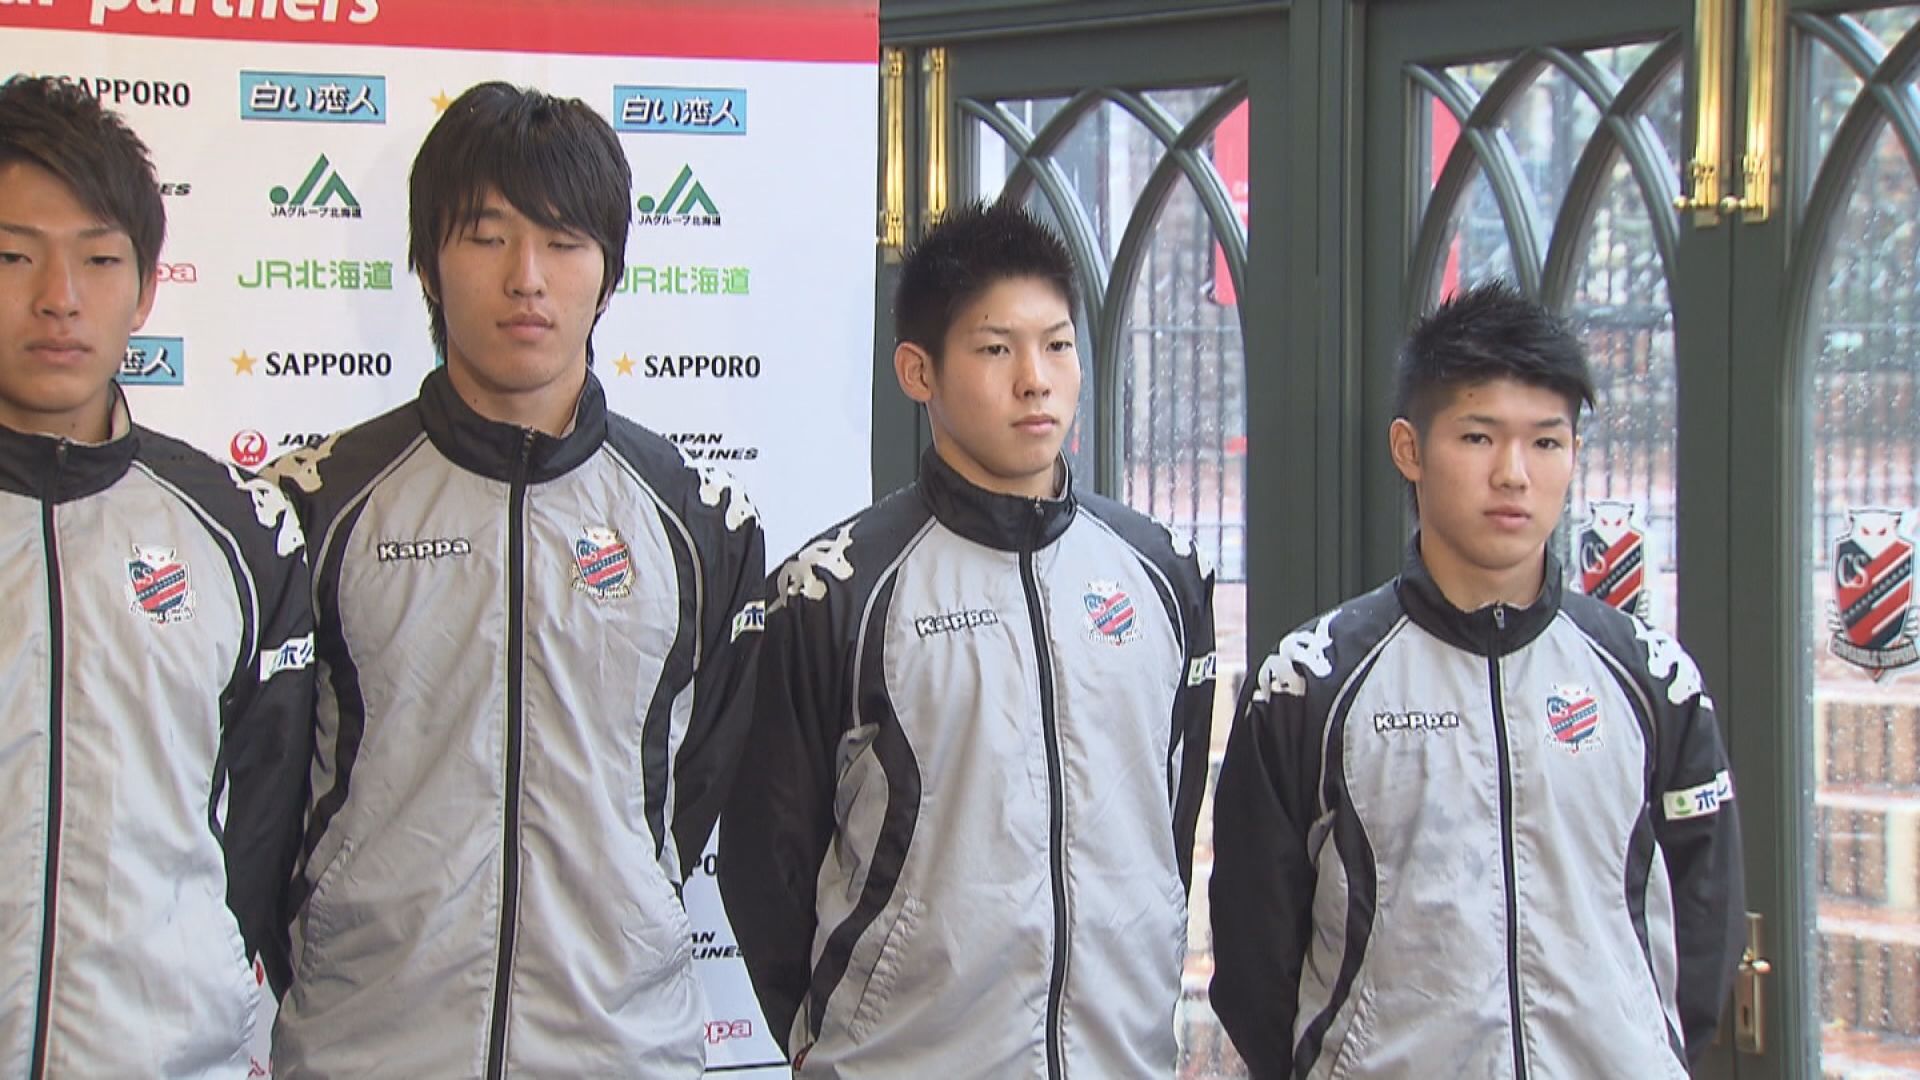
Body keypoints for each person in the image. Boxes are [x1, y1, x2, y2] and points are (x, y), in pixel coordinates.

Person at [265, 82, 765, 1077]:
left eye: (564, 241)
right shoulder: (313, 508)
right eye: (486, 237)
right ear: (426, 262)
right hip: (368, 1044)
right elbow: (261, 797)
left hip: (621, 1047)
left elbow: (696, 787)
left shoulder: (702, 522)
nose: (526, 278)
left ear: (610, 271)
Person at [719, 199, 1217, 1078]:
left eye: (1056, 345)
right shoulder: (835, 590)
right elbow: (767, 862)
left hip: (1119, 1058)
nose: (1036, 380)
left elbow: (1167, 829)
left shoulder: (1160, 572)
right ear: (919, 371)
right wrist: (832, 1033)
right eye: (995, 350)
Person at [1209, 281, 1744, 1079]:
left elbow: (1707, 925)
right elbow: (1255, 952)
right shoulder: (1309, 684)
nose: (1514, 474)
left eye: (1547, 443)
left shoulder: (1650, 679)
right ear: (1409, 449)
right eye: (1478, 437)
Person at [0, 74, 315, 1075]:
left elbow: (268, 813)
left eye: (98, 259)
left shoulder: (238, 527)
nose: (59, 297)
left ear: (144, 288)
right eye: (13, 256)